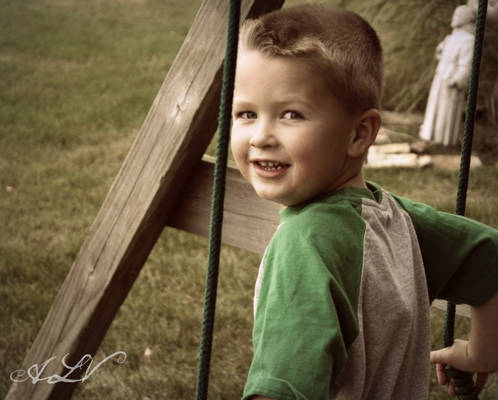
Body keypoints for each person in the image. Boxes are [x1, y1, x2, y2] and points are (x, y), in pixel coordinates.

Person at [229, 4, 498, 400]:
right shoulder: (393, 216)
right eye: (247, 113)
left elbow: (282, 390)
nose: (260, 137)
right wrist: (481, 352)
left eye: (291, 114)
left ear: (359, 134)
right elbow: (490, 255)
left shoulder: (306, 244)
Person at [418, 5, 475, 146]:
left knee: (448, 111)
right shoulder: (451, 37)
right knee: (435, 109)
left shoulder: (468, 40)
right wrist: (440, 52)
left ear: (466, 18)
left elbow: (466, 64)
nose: (454, 17)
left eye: (458, 15)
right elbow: (442, 54)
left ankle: (445, 140)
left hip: (451, 80)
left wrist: (457, 79)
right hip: (441, 77)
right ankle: (431, 136)